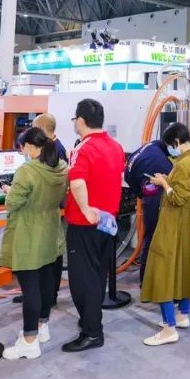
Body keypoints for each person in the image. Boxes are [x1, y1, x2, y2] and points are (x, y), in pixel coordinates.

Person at [0, 127, 69, 360]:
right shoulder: (61, 167)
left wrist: (10, 191)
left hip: (28, 235)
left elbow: (12, 203)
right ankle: (42, 326)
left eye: (23, 147)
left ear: (30, 146)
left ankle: (29, 342)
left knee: (30, 289)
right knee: (47, 283)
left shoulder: (26, 171)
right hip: (51, 232)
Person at [62, 99, 125, 353]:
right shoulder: (116, 147)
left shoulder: (83, 148)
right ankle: (91, 319)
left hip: (85, 223)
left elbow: (77, 182)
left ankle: (91, 332)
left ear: (80, 120)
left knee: (82, 279)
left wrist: (87, 209)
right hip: (108, 222)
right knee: (98, 275)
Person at [140, 123, 190, 346]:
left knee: (163, 271)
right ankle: (182, 314)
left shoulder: (184, 164)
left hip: (174, 222)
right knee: (183, 268)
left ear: (176, 142)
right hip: (188, 223)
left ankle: (169, 328)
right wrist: (168, 179)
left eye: (170, 145)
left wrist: (164, 183)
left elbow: (177, 198)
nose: (169, 149)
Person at [125, 137, 173, 283]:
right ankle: (153, 281)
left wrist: (141, 194)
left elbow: (127, 176)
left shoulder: (148, 148)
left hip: (148, 197)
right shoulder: (163, 161)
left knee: (149, 239)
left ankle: (145, 280)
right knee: (155, 239)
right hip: (156, 201)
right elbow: (175, 189)